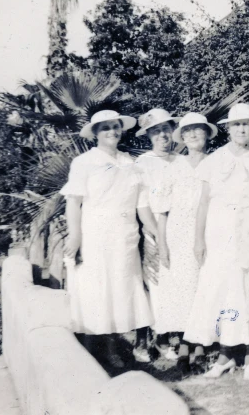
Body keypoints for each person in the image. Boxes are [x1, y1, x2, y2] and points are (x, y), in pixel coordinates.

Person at [184, 103, 249, 381]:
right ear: (228, 129)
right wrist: (198, 239)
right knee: (220, 292)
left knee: (245, 291)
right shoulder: (214, 160)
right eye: (236, 124)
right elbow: (203, 204)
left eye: (246, 124)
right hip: (218, 232)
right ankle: (224, 356)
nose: (242, 129)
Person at [61, 110, 154, 369]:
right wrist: (76, 235)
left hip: (125, 233)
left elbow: (142, 204)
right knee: (97, 289)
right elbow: (73, 202)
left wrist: (156, 232)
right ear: (96, 134)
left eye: (115, 127)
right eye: (105, 128)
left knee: (123, 287)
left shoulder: (130, 163)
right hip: (95, 233)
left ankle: (131, 345)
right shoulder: (84, 162)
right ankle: (102, 350)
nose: (112, 132)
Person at [150, 113, 216, 372]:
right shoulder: (173, 167)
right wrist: (162, 243)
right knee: (183, 290)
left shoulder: (216, 163)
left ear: (207, 133)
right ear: (183, 137)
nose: (193, 135)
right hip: (178, 234)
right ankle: (185, 348)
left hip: (210, 231)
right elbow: (161, 209)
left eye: (198, 130)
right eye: (187, 131)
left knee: (204, 287)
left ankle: (200, 347)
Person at [134, 108, 180, 361]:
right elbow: (142, 207)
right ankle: (151, 340)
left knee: (176, 285)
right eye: (156, 131)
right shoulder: (143, 164)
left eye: (166, 129)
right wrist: (157, 236)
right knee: (156, 285)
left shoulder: (180, 160)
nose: (162, 135)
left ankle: (169, 338)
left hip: (180, 232)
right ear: (149, 135)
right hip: (154, 233)